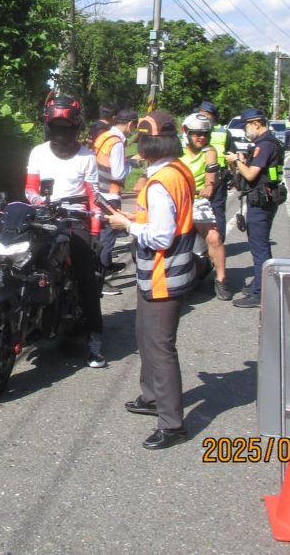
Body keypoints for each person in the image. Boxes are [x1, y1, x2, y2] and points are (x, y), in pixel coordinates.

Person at [104, 111, 196, 449]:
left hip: (162, 274)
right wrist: (137, 217)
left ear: (148, 145)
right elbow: (163, 219)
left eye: (140, 141)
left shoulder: (158, 184)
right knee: (145, 335)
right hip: (165, 272)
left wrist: (127, 226)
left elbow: (160, 237)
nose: (137, 147)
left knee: (159, 346)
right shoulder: (178, 170)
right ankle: (152, 396)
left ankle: (172, 424)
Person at [25, 95, 106, 368]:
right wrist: (40, 203)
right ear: (48, 126)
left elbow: (94, 197)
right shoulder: (38, 152)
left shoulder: (87, 157)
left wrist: (95, 232)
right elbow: (30, 188)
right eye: (56, 127)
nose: (61, 133)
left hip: (76, 220)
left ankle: (94, 337)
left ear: (76, 127)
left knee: (86, 279)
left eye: (67, 128)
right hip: (43, 218)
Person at [227, 108, 285, 309]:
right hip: (266, 198)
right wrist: (243, 162)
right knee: (261, 246)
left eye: (246, 126)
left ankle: (260, 293)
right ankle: (260, 284)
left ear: (256, 124)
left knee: (259, 248)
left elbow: (251, 175)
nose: (245, 130)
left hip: (261, 201)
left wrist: (236, 161)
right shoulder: (270, 142)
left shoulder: (264, 145)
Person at [179, 113, 232, 301]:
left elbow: (211, 177)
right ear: (186, 132)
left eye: (205, 133)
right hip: (177, 200)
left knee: (214, 237)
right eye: (197, 133)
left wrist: (209, 187)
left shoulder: (209, 151)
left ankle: (221, 280)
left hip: (198, 200)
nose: (202, 137)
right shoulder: (176, 149)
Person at [93, 107, 137, 295]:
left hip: (99, 192)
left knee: (100, 236)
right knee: (107, 238)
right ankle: (100, 281)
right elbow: (118, 173)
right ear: (130, 124)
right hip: (110, 194)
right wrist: (131, 164)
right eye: (134, 127)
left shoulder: (104, 136)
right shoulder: (117, 142)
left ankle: (102, 270)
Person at [195, 100, 236, 242]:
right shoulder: (222, 132)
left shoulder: (222, 132)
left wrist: (234, 175)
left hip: (216, 176)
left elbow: (231, 156)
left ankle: (217, 243)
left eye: (205, 113)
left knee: (214, 209)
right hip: (202, 175)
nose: (202, 116)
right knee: (202, 209)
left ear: (212, 115)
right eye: (201, 113)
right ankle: (207, 244)